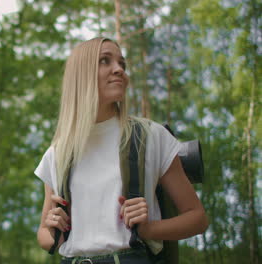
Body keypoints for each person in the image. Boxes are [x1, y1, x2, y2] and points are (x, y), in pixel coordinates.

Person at [34, 37, 209, 264]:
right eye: (105, 61)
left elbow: (197, 218)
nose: (119, 70)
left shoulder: (151, 136)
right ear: (81, 73)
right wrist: (53, 229)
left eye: (122, 64)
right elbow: (43, 236)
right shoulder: (58, 153)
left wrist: (148, 229)